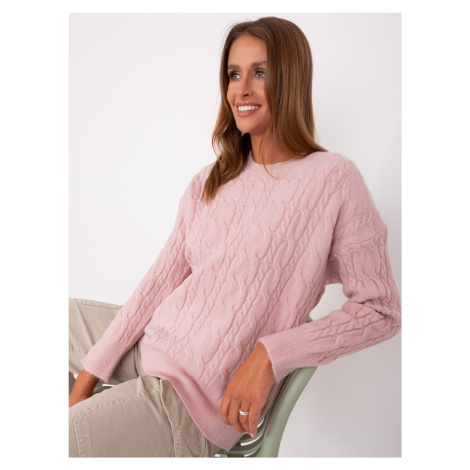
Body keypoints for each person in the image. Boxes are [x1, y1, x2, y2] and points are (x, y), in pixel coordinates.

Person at [69, 16, 401, 458]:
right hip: (153, 346)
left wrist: (271, 353)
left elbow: (380, 310)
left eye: (259, 72)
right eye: (233, 74)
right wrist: (88, 378)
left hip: (190, 401)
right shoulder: (211, 179)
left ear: (291, 79)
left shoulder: (334, 180)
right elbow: (158, 284)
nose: (241, 89)